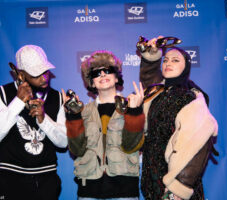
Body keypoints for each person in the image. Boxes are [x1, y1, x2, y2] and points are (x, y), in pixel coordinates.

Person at [138, 37, 218, 200]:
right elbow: (150, 80)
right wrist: (152, 55)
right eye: (165, 60)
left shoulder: (191, 98)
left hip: (175, 191)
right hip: (153, 184)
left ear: (186, 67)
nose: (168, 63)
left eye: (175, 60)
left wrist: (179, 190)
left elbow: (197, 146)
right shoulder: (158, 95)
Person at [0, 45, 67, 200]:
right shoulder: (2, 93)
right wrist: (18, 102)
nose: (44, 77)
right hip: (9, 180)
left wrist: (44, 120)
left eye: (46, 71)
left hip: (46, 181)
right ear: (20, 74)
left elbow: (64, 142)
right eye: (37, 74)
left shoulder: (58, 98)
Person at [62, 50, 145, 199]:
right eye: (96, 73)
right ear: (91, 81)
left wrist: (135, 111)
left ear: (116, 77)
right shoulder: (82, 112)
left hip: (124, 190)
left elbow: (132, 146)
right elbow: (77, 150)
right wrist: (72, 116)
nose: (102, 75)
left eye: (108, 70)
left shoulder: (132, 107)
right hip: (89, 191)